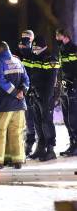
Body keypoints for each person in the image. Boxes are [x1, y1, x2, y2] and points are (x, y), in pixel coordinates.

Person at [0, 41, 29, 169]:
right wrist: (22, 91)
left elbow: (1, 80)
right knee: (16, 132)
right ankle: (17, 160)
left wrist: (15, 92)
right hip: (20, 104)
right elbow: (26, 79)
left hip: (5, 104)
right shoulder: (17, 60)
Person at [28, 36, 60, 161]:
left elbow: (51, 80)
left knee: (47, 121)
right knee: (37, 121)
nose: (35, 49)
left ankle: (50, 149)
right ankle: (40, 147)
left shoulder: (50, 58)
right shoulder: (35, 58)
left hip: (46, 95)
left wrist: (45, 96)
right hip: (35, 93)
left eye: (37, 47)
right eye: (34, 47)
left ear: (44, 47)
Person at [15, 30, 36, 157]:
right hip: (20, 90)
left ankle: (31, 143)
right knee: (20, 120)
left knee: (31, 119)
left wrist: (28, 51)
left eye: (28, 37)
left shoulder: (35, 52)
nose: (25, 39)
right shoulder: (17, 52)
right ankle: (23, 144)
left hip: (32, 90)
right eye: (23, 37)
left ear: (32, 39)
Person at [55, 29, 77, 157]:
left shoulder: (74, 49)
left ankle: (75, 145)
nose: (57, 38)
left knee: (73, 117)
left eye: (59, 36)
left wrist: (73, 84)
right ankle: (72, 143)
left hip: (73, 87)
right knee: (67, 118)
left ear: (66, 37)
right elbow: (62, 70)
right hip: (64, 87)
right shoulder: (62, 50)